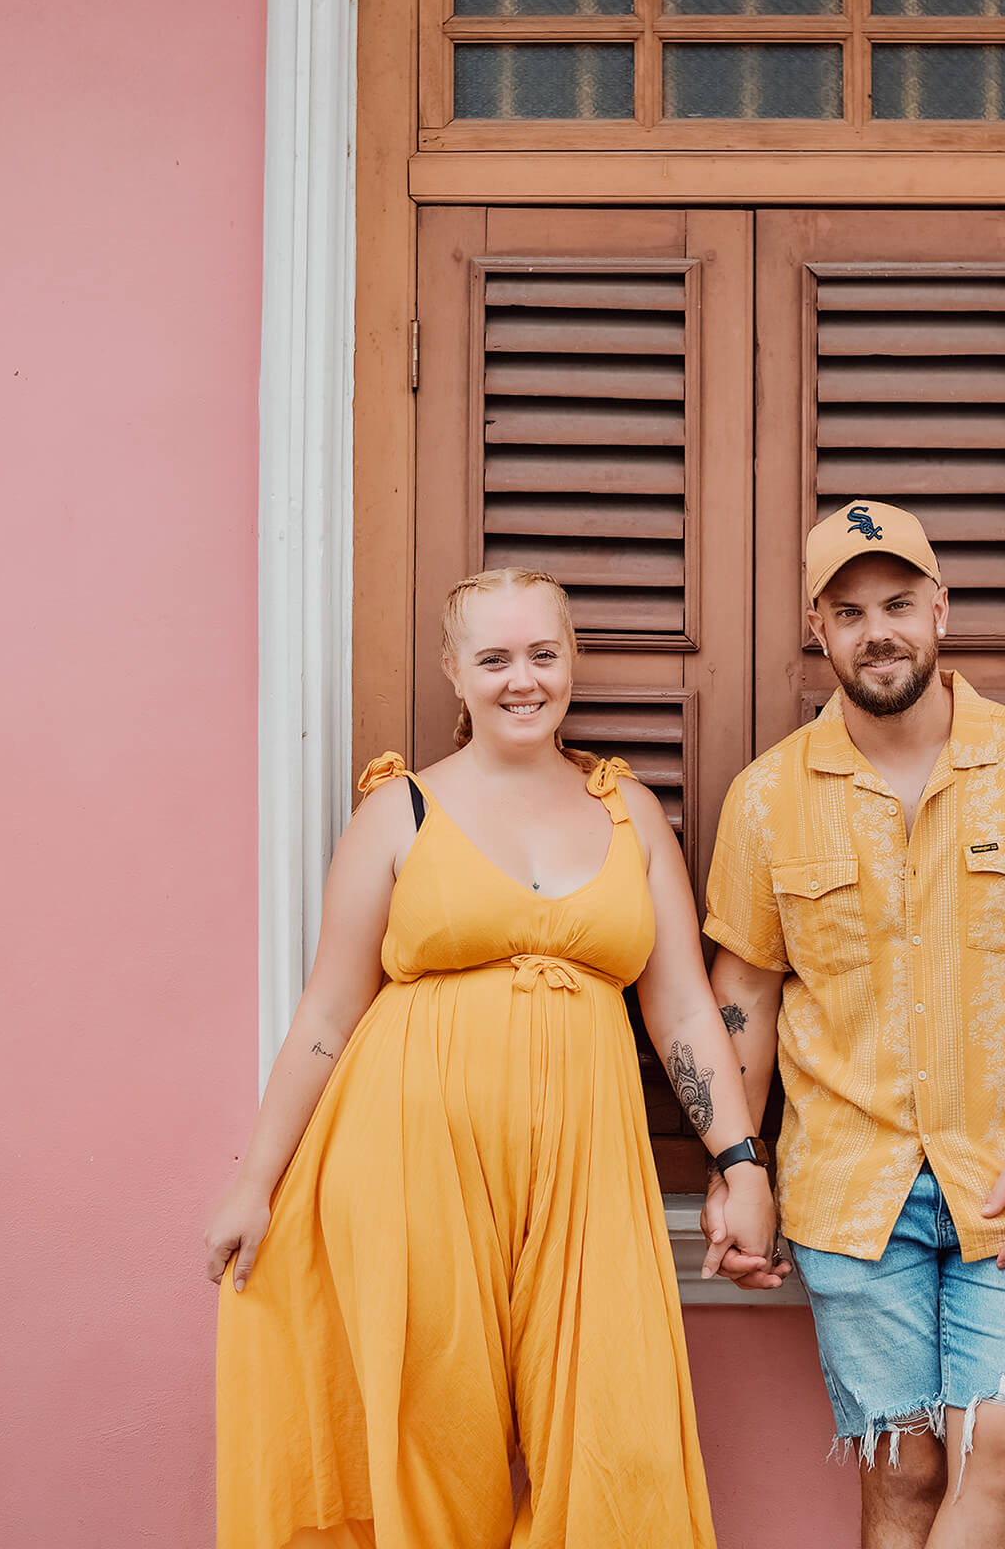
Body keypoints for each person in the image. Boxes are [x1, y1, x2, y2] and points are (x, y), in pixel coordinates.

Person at [207, 565, 781, 1549]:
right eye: (495, 657)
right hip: (409, 1158)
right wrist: (253, 1182)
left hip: (585, 1169)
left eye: (542, 653)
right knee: (432, 1439)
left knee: (618, 1435)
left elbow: (682, 1004)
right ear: (454, 672)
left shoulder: (627, 810)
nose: (523, 678)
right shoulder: (402, 810)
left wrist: (740, 1161)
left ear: (571, 663)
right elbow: (327, 1011)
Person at [701, 501, 1005, 1549]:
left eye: (897, 602)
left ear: (941, 607)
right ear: (817, 628)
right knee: (904, 1477)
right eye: (848, 610)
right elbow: (743, 996)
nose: (876, 629)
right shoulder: (766, 799)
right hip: (851, 1190)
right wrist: (738, 1165)